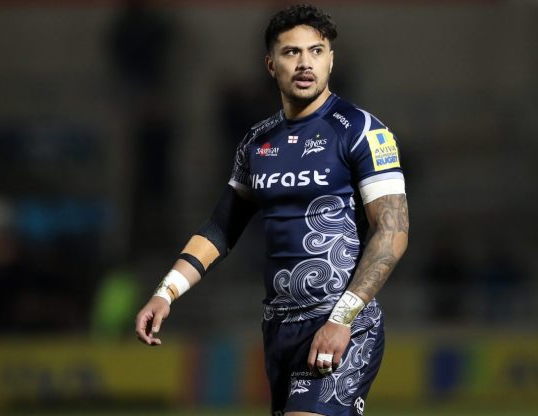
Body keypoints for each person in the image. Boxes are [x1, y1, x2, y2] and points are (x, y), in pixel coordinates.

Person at [135, 4, 409, 416]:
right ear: (270, 63)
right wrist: (165, 292)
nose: (305, 63)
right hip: (279, 329)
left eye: (316, 51)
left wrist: (343, 318)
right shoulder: (257, 142)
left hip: (342, 323)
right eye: (291, 52)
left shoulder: (361, 131)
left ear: (332, 60)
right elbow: (221, 228)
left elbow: (392, 231)